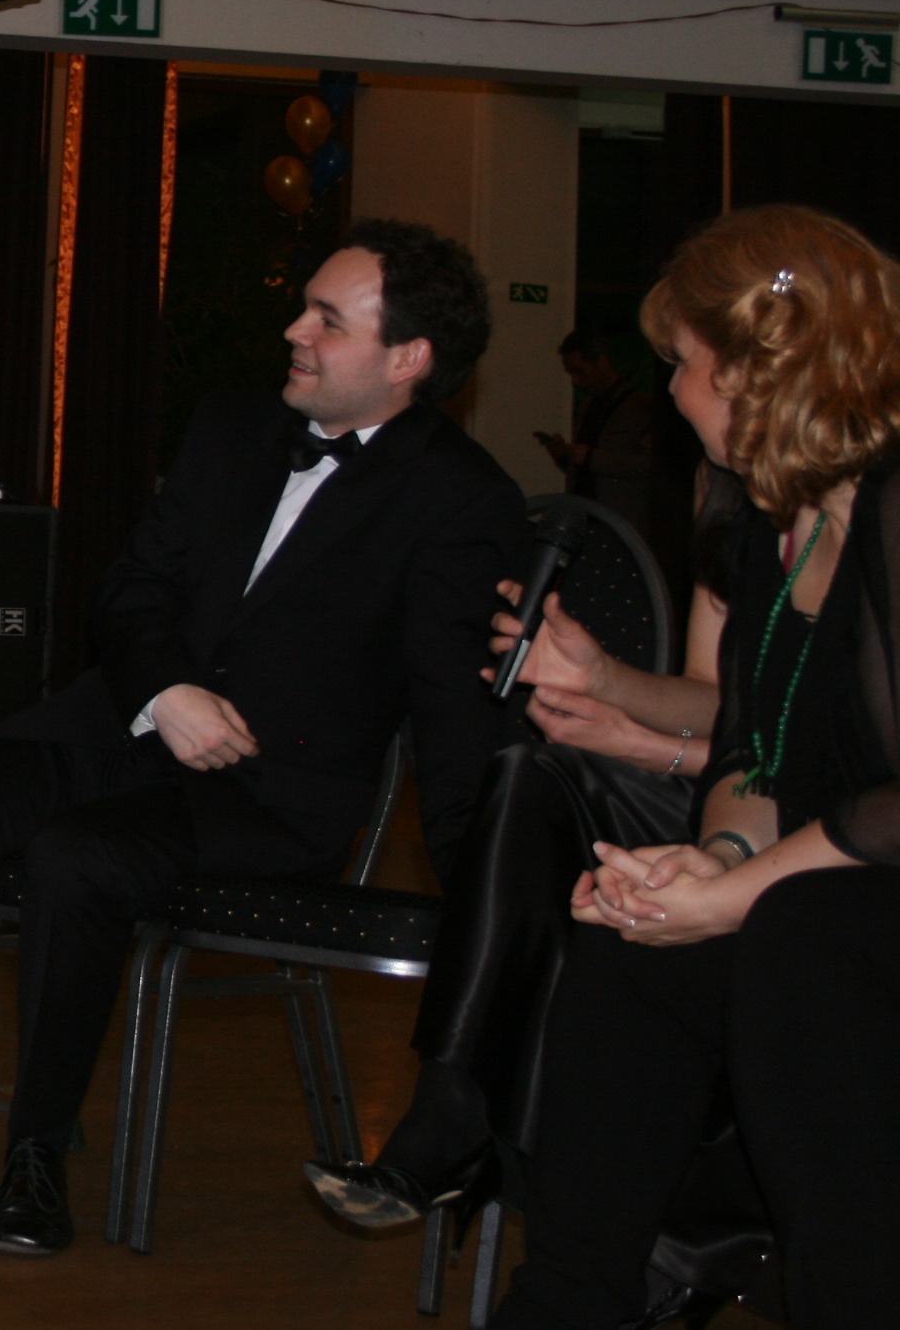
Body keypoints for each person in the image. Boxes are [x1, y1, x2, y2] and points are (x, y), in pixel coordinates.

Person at [0, 221, 526, 1256]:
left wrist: (483, 884)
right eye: (304, 308)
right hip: (121, 729)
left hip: (266, 791)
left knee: (79, 858)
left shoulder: (460, 498)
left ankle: (35, 1151)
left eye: (327, 320)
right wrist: (165, 690)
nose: (293, 331)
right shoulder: (233, 427)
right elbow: (131, 589)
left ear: (407, 357)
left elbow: (456, 716)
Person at [350, 206, 900, 1330]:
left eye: (680, 362)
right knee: (629, 947)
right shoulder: (768, 518)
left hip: (858, 885)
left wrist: (745, 886)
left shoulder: (889, 509)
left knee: (798, 945)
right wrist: (707, 861)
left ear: (756, 369)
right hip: (830, 874)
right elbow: (752, 751)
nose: (671, 389)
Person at [305, 461, 738, 1228]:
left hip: (806, 816)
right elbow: (717, 701)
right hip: (723, 786)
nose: (678, 398)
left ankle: (478, 1136)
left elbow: (834, 761)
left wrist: (647, 749)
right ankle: (462, 1114)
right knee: (530, 776)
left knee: (557, 863)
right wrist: (605, 679)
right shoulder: (722, 478)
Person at [536, 327, 655, 534]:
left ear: (600, 361)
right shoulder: (586, 407)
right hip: (583, 520)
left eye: (579, 371)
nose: (575, 381)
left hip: (620, 524)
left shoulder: (639, 407)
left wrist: (591, 457)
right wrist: (565, 457)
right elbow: (584, 471)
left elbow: (651, 465)